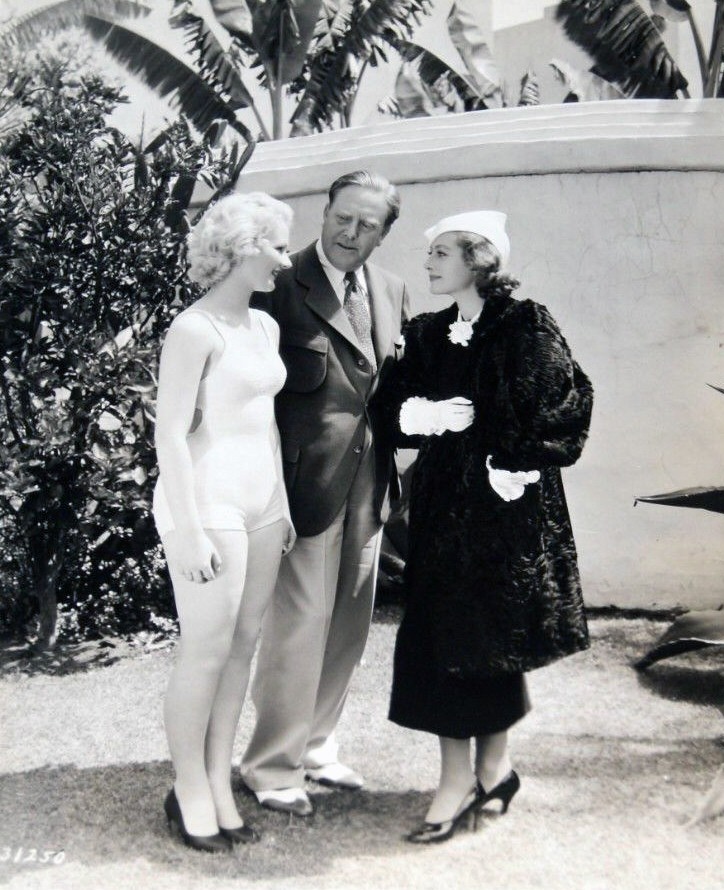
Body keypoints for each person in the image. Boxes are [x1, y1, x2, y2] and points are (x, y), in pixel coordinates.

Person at [374, 210, 593, 843]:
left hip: (509, 509)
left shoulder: (524, 324)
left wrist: (519, 464)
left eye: (443, 251)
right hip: (445, 511)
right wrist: (425, 414)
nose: (430, 262)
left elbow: (566, 402)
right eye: (430, 252)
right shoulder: (426, 334)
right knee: (443, 637)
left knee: (493, 635)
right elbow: (388, 410)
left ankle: (490, 768)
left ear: (480, 259)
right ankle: (460, 777)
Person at [240, 170, 410, 816]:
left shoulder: (393, 290)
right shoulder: (278, 283)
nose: (351, 232)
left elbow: (387, 390)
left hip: (370, 485)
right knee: (301, 622)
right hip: (300, 487)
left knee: (349, 623)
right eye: (344, 217)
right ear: (326, 212)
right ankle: (271, 764)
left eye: (368, 224)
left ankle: (315, 745)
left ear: (383, 234)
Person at [152, 192, 295, 852]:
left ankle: (216, 775)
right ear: (244, 247)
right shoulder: (193, 329)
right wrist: (187, 529)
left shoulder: (263, 328)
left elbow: (265, 424)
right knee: (206, 647)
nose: (284, 261)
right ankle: (187, 789)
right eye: (277, 247)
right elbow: (170, 436)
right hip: (205, 502)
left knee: (242, 645)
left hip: (263, 502)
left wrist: (284, 506)